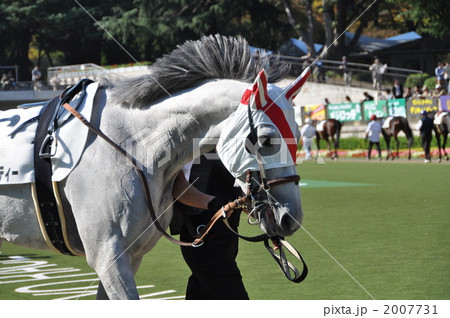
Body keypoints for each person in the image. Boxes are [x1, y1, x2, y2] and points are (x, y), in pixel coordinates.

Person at [171, 154, 249, 300]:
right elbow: (176, 184)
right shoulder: (191, 141)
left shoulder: (232, 143)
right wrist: (213, 203)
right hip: (201, 234)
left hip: (228, 235)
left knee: (201, 293)